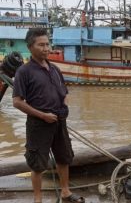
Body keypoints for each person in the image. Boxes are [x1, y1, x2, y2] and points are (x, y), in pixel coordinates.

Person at [12, 28, 85, 203]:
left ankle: (65, 192)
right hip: (39, 125)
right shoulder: (24, 72)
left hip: (59, 122)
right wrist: (42, 115)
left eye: (47, 44)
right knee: (37, 163)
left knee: (64, 157)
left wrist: (64, 105)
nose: (46, 48)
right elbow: (17, 102)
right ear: (30, 47)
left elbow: (64, 93)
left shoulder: (55, 69)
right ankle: (38, 199)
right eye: (41, 45)